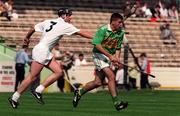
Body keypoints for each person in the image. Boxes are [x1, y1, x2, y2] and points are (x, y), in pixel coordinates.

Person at [8, 7, 92, 109]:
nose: (70, 18)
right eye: (69, 16)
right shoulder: (64, 25)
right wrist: (96, 38)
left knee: (59, 72)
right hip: (42, 51)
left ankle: (38, 90)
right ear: (64, 16)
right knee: (32, 77)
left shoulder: (49, 21)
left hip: (44, 50)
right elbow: (81, 32)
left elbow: (33, 28)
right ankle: (14, 97)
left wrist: (27, 38)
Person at [72, 13, 128, 111]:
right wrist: (110, 56)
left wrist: (117, 59)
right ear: (113, 22)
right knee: (111, 76)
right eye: (119, 22)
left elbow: (118, 47)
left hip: (108, 57)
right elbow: (97, 45)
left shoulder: (120, 33)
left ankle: (79, 92)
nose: (121, 24)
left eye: (121, 22)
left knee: (97, 82)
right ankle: (116, 102)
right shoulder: (102, 30)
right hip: (98, 55)